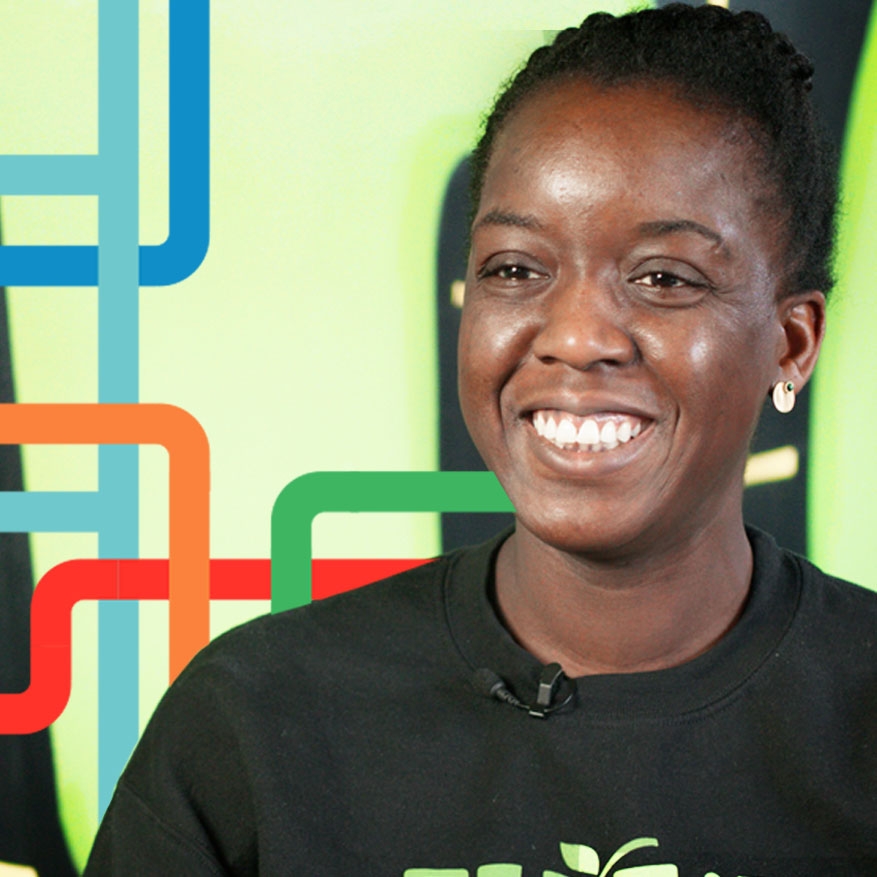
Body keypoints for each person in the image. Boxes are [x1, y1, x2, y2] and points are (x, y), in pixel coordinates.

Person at [85, 5, 877, 875]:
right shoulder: (255, 720)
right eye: (515, 268)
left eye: (662, 277)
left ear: (791, 342)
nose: (574, 337)